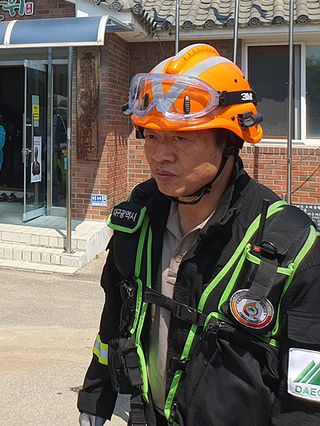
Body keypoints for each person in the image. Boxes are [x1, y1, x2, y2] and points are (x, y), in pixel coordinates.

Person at [78, 44, 320, 426]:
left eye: (181, 138)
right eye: (152, 137)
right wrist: (95, 396)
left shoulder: (292, 247)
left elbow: (305, 399)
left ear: (229, 141)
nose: (160, 155)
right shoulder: (136, 220)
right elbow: (114, 316)